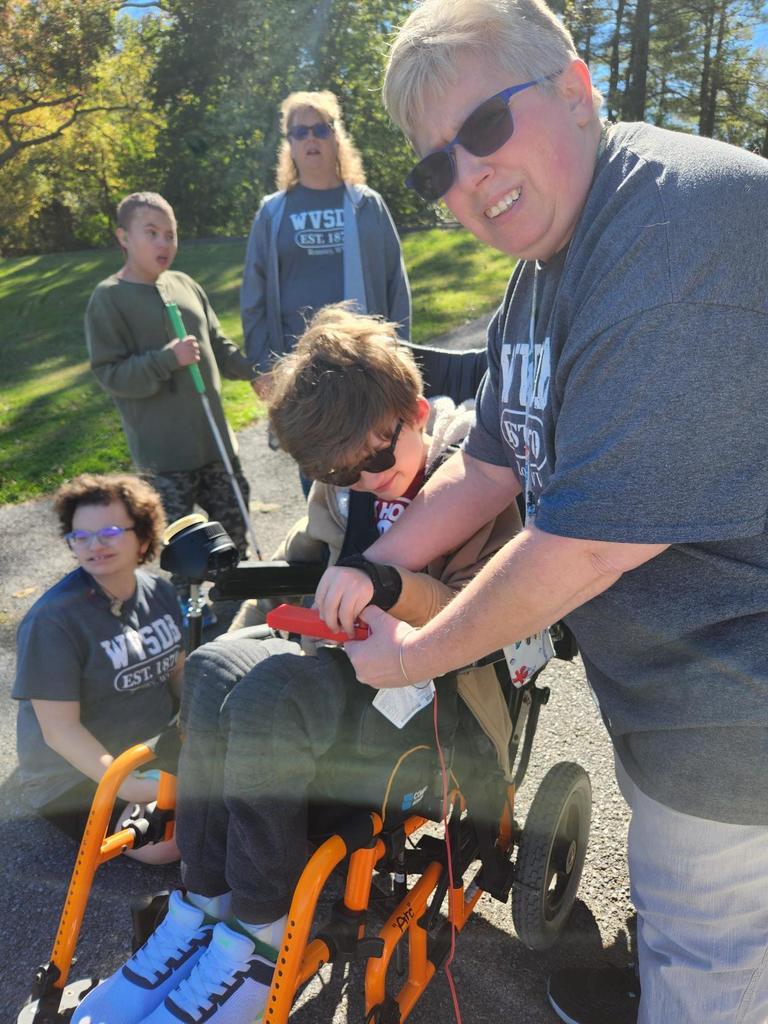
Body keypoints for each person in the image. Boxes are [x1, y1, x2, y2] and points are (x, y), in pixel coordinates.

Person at [309, 3, 768, 1023]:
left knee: (714, 983)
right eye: (435, 169)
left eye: (483, 129)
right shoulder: (537, 279)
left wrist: (414, 652)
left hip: (736, 725)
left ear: (576, 88)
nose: (467, 177)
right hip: (671, 703)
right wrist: (375, 569)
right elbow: (490, 465)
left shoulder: (674, 229)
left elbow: (588, 544)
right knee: (691, 929)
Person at [71, 304, 521, 1024]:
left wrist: (389, 584)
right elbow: (300, 569)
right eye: (338, 470)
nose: (364, 479)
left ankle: (259, 929)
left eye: (376, 459)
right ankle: (204, 906)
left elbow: (482, 612)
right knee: (219, 665)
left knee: (269, 696)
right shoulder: (346, 479)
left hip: (423, 685)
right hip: (332, 664)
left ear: (413, 412)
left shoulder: (474, 476)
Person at [241, 90, 411, 493]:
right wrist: (264, 365)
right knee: (322, 483)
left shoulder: (366, 204)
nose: (311, 138)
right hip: (305, 377)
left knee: (383, 470)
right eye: (300, 132)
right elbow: (255, 296)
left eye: (321, 128)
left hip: (367, 369)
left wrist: (401, 353)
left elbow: (395, 283)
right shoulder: (273, 212)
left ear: (337, 136)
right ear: (290, 144)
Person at [12, 473, 183, 864]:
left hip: (151, 750)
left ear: (142, 536)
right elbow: (60, 731)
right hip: (73, 777)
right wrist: (131, 785)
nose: (94, 546)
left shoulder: (160, 592)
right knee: (166, 845)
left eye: (108, 531)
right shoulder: (52, 621)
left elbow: (178, 672)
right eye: (81, 537)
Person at [86, 191, 259, 569]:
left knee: (233, 534)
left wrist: (253, 374)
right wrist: (167, 360)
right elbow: (110, 374)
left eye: (171, 234)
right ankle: (191, 612)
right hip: (165, 460)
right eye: (152, 233)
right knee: (181, 550)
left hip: (214, 445)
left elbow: (218, 345)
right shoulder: (109, 299)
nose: (164, 243)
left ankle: (234, 597)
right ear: (123, 237)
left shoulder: (184, 284)